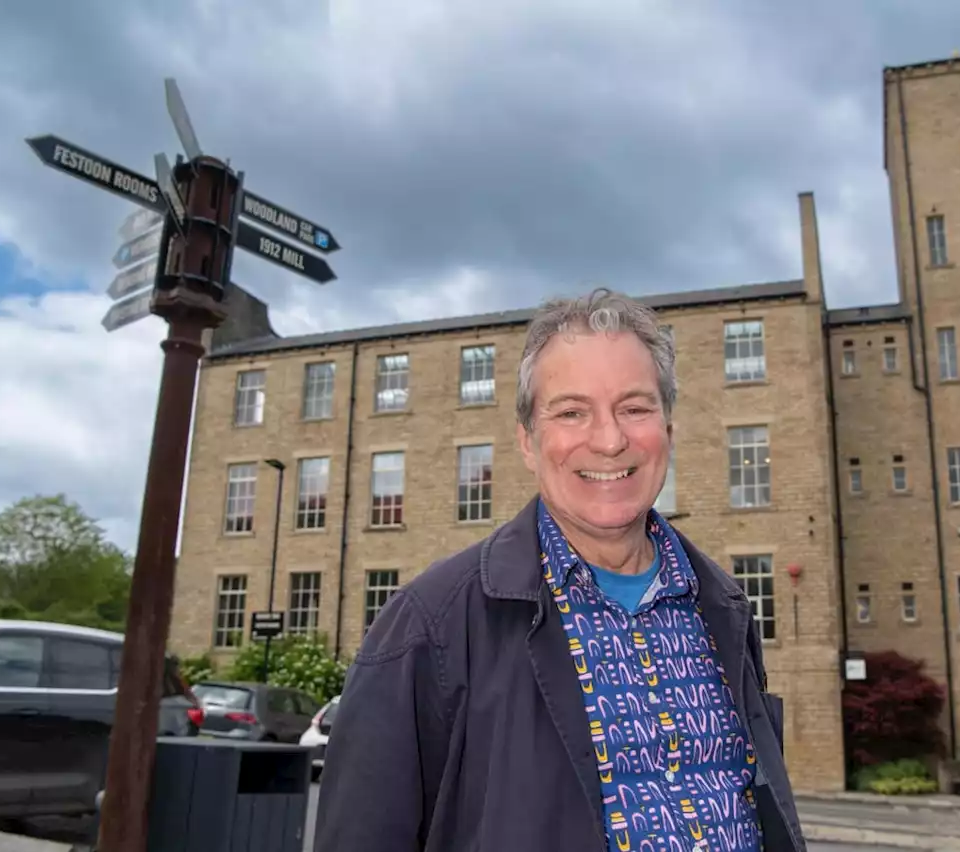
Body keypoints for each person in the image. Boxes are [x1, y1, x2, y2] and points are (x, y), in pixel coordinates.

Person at [314, 288, 806, 852]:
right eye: (572, 412)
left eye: (635, 407)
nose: (610, 440)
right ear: (528, 441)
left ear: (667, 429)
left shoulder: (723, 608)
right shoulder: (429, 628)